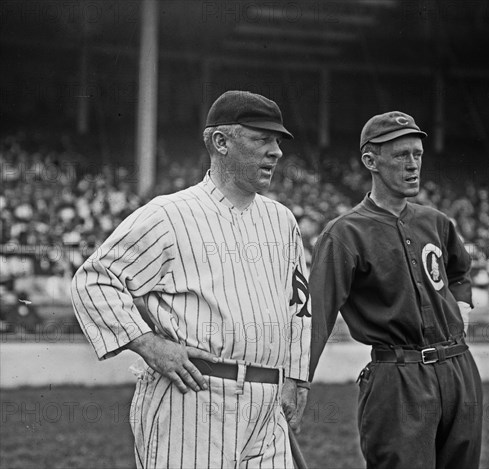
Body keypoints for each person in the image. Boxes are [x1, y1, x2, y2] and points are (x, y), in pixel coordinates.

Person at [71, 90, 311, 468]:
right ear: (221, 142)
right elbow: (95, 280)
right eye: (262, 139)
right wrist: (151, 345)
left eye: (278, 142)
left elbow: (299, 305)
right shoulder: (169, 214)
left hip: (267, 404)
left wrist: (298, 379)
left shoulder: (282, 220)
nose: (276, 152)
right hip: (194, 397)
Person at [308, 111, 483, 468]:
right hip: (398, 375)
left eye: (417, 154)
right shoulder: (344, 234)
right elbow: (316, 316)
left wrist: (461, 307)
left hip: (459, 369)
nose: (413, 164)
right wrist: (296, 383)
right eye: (402, 155)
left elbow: (460, 271)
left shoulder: (435, 221)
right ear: (370, 160)